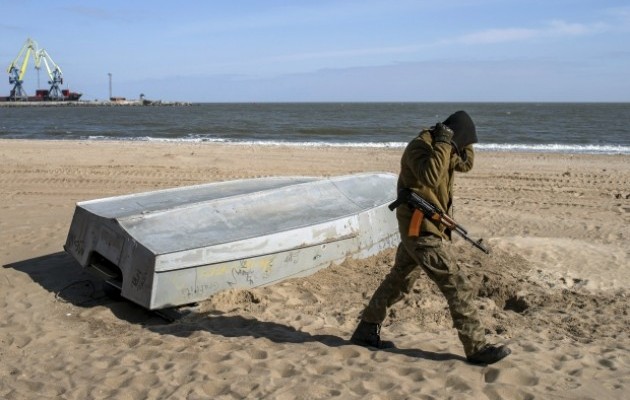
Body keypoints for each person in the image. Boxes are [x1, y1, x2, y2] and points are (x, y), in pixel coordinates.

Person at [350, 110, 511, 365]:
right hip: (420, 230)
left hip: (426, 229)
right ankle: (477, 347)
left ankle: (366, 331)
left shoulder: (443, 148)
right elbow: (431, 176)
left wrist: (462, 142)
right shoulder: (420, 147)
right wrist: (445, 142)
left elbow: (465, 164)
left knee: (398, 282)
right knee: (457, 285)